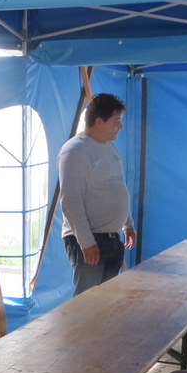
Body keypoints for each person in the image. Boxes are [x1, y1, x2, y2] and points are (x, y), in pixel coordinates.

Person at [58, 92, 136, 296]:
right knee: (86, 302)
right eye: (116, 121)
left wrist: (127, 224)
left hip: (112, 237)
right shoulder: (75, 151)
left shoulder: (110, 148)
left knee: (105, 301)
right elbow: (71, 201)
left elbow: (117, 186)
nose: (120, 126)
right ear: (99, 121)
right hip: (90, 239)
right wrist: (87, 243)